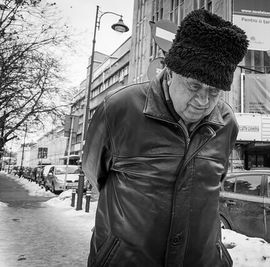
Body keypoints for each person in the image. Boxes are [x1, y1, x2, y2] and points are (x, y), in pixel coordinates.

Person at [82, 9, 248, 267]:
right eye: (194, 86)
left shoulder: (226, 124)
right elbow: (93, 173)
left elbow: (215, 184)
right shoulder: (118, 109)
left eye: (214, 91)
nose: (203, 101)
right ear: (170, 72)